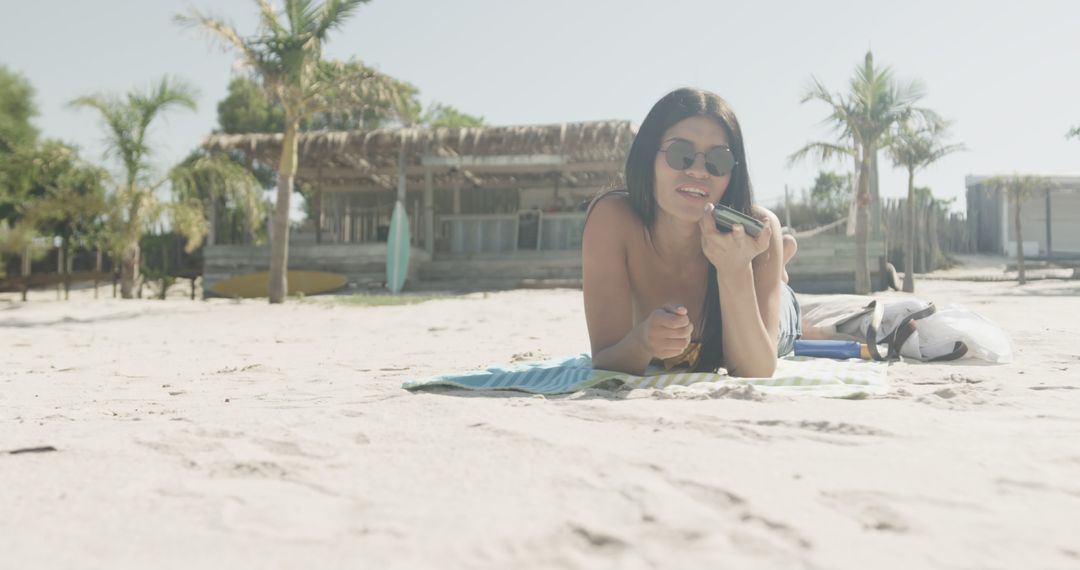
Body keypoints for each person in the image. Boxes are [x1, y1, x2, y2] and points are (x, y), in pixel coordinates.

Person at [582, 88, 800, 377]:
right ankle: (778, 270)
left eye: (718, 160)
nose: (698, 171)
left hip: (773, 319)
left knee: (789, 327)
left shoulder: (756, 234)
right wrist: (643, 342)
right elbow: (605, 358)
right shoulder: (613, 220)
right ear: (649, 159)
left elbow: (755, 369)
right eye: (679, 153)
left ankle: (777, 276)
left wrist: (735, 270)